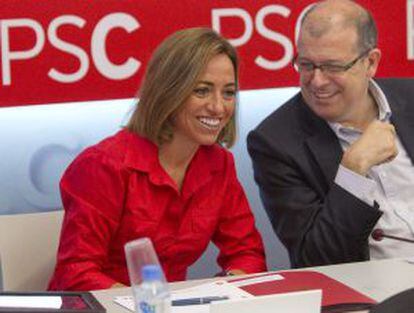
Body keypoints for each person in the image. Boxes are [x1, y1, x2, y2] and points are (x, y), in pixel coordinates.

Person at [49, 28, 266, 291]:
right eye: (201, 91)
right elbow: (76, 273)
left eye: (228, 93)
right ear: (168, 91)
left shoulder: (219, 164)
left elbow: (247, 252)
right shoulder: (103, 165)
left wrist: (226, 290)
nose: (219, 107)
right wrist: (142, 304)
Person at [247, 0, 414, 268]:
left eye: (333, 67)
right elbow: (317, 259)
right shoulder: (275, 142)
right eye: (306, 65)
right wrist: (352, 170)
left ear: (370, 62)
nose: (317, 81)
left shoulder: (410, 98)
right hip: (373, 297)